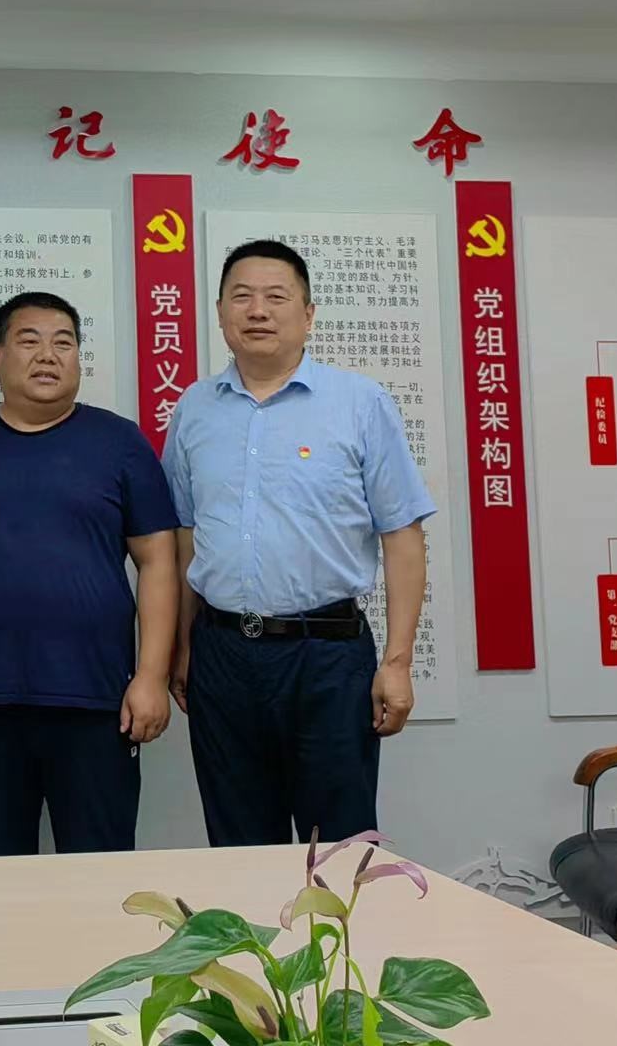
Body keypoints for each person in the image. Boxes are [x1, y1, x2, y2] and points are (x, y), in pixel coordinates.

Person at [162, 240, 435, 846]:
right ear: (220, 312)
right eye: (241, 297)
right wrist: (182, 647)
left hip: (327, 656)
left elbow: (402, 534)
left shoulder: (359, 403)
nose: (258, 310)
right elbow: (185, 537)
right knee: (237, 844)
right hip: (222, 653)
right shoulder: (195, 409)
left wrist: (397, 663)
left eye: (276, 297)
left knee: (336, 847)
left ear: (308, 315)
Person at [0, 292, 179, 857]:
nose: (48, 355)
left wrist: (151, 676)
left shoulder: (120, 442)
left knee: (101, 869)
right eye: (29, 341)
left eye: (64, 343)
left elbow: (159, 561)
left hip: (97, 701)